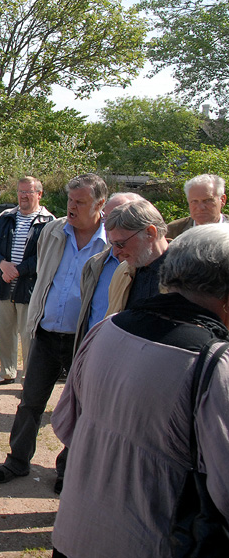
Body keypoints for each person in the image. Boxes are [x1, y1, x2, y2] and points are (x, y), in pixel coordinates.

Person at [50, 225, 229, 557]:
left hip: (76, 533)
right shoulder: (213, 363)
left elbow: (64, 425)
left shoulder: (105, 328)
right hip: (149, 542)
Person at [0, 173, 108, 491]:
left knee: (81, 407)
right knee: (30, 401)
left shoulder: (109, 241)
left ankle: (68, 470)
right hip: (46, 332)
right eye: (70, 200)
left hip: (84, 340)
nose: (72, 207)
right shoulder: (55, 231)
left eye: (80, 202)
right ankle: (17, 461)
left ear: (100, 204)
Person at [0, 176, 54, 386]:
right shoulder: (4, 218)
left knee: (29, 335)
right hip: (4, 284)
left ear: (39, 194)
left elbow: (46, 255)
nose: (23, 196)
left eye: (28, 192)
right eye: (20, 191)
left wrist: (17, 271)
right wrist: (2, 264)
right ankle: (7, 372)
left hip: (29, 287)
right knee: (4, 333)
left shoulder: (49, 222)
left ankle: (29, 378)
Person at [72, 192, 142, 354]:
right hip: (94, 353)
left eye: (119, 218)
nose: (110, 225)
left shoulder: (155, 268)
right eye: (107, 218)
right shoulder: (94, 265)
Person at [104, 199, 169, 315]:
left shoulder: (188, 274)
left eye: (120, 244)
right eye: (112, 244)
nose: (115, 253)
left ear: (150, 232)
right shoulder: (122, 272)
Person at [166, 173, 228, 239]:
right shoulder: (171, 231)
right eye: (194, 201)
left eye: (207, 200)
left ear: (222, 200)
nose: (200, 207)